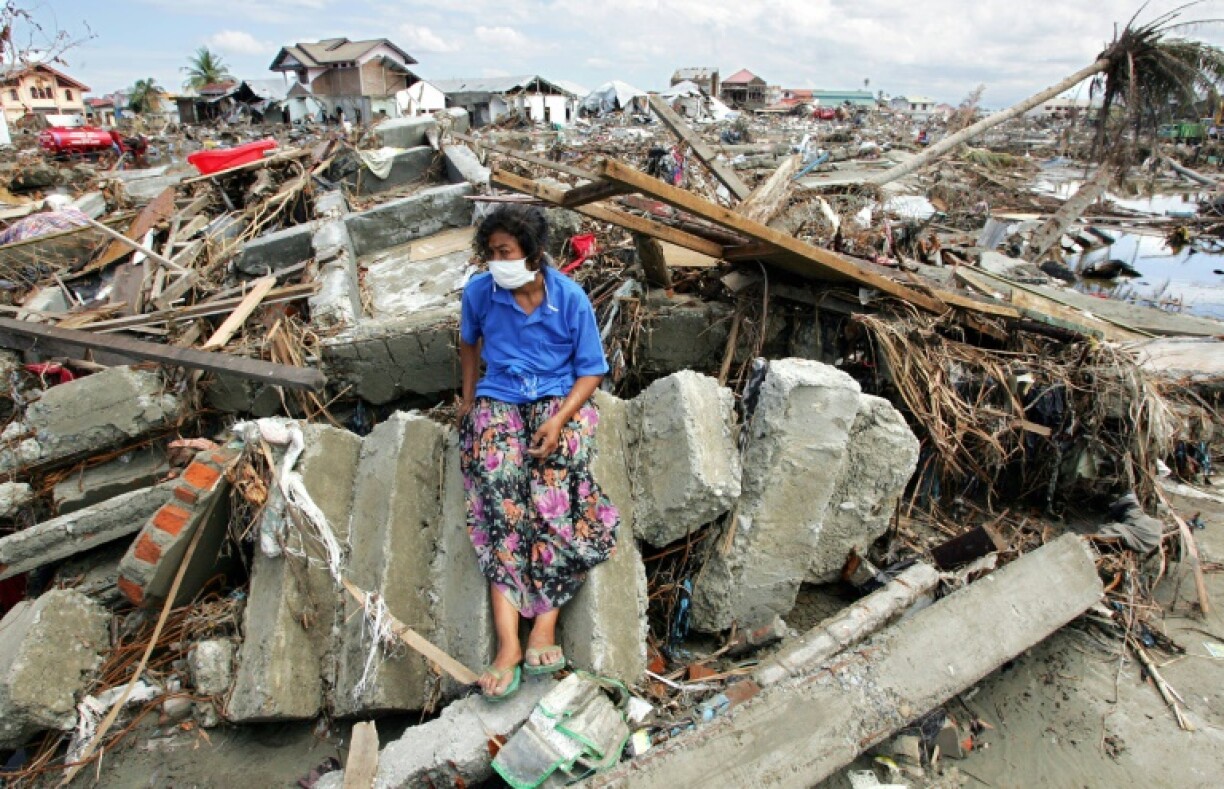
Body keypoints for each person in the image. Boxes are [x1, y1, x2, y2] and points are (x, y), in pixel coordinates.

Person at [457, 205, 619, 701]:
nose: (496, 262)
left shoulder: (569, 299)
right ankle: (508, 645)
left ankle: (543, 626)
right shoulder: (481, 292)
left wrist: (559, 418)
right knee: (501, 493)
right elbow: (469, 345)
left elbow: (591, 370)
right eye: (491, 253)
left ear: (532, 252)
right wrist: (468, 399)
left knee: (554, 494)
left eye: (504, 252)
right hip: (500, 396)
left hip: (556, 399)